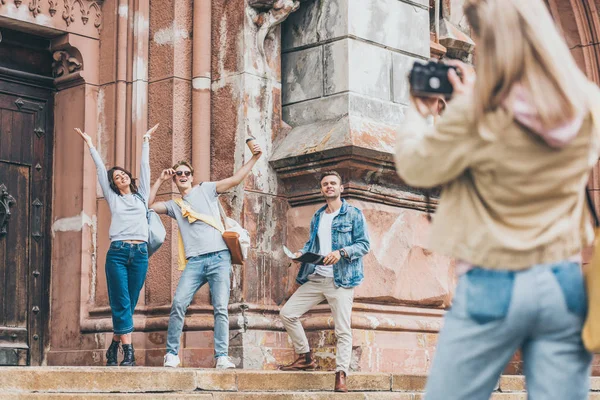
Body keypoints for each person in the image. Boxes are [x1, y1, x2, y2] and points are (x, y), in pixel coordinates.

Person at [394, 1, 600, 399]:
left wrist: (420, 114)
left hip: (493, 281)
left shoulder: (477, 114)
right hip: (562, 283)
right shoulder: (589, 104)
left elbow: (417, 167)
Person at [149, 141, 262, 369]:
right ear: (175, 179)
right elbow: (148, 205)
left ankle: (221, 356)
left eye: (186, 173)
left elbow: (234, 180)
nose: (182, 176)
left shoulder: (206, 189)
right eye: (178, 173)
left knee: (220, 308)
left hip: (219, 257)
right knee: (178, 304)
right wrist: (160, 179)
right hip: (195, 261)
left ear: (192, 176)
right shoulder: (175, 205)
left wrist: (255, 158)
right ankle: (171, 354)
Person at [74, 123, 159, 366]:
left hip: (140, 253)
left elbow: (145, 169)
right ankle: (128, 352)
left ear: (128, 179)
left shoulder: (141, 195)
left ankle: (112, 347)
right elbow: (101, 169)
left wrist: (145, 141)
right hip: (119, 254)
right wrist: (90, 144)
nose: (119, 177)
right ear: (113, 184)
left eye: (122, 174)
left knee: (129, 304)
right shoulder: (113, 199)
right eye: (115, 177)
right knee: (122, 302)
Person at [278, 171, 370, 393]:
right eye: (325, 184)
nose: (329, 187)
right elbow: (313, 243)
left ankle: (341, 374)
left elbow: (364, 245)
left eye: (333, 183)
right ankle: (305, 357)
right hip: (317, 277)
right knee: (287, 313)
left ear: (341, 188)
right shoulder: (318, 216)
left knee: (342, 329)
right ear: (322, 189)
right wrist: (302, 252)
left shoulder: (354, 214)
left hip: (341, 280)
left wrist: (341, 252)